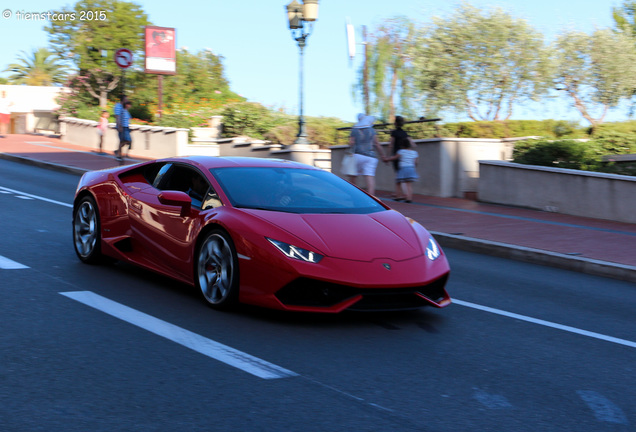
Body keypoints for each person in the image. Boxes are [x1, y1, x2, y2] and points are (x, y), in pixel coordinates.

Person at [348, 114, 386, 196]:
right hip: (371, 156)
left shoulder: (354, 129)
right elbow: (377, 144)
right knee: (369, 177)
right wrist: (382, 155)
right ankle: (371, 197)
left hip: (357, 155)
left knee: (353, 176)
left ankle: (353, 195)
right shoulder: (371, 130)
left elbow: (351, 143)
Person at [384, 138, 419, 203]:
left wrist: (387, 159)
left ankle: (397, 196)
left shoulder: (401, 151)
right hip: (411, 168)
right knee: (409, 184)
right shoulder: (415, 153)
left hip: (403, 168)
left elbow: (394, 157)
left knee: (398, 182)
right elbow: (416, 162)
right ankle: (409, 198)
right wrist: (414, 168)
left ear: (402, 145)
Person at [389, 116, 415, 200]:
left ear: (395, 123)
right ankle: (404, 194)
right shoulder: (405, 133)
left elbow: (391, 144)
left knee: (399, 176)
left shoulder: (394, 133)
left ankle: (401, 194)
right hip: (405, 156)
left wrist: (387, 155)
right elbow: (412, 144)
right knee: (404, 176)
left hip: (397, 155)